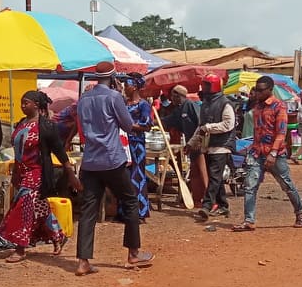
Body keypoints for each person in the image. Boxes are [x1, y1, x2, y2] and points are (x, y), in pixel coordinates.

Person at [74, 74, 152, 276]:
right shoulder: (114, 97)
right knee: (130, 201)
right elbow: (127, 125)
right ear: (112, 78)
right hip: (112, 159)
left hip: (90, 160)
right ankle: (133, 253)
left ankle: (83, 261)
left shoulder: (84, 99)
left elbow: (82, 127)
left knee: (88, 210)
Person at [0, 90, 76, 262]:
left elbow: (59, 150)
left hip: (37, 173)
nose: (23, 105)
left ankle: (20, 248)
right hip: (21, 172)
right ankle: (58, 235)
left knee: (23, 206)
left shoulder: (46, 126)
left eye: (26, 102)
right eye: (21, 102)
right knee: (40, 208)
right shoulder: (21, 123)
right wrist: (15, 173)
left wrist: (70, 172)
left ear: (37, 105)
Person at [234, 76, 302, 231]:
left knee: (286, 185)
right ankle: (249, 220)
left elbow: (281, 132)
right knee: (250, 186)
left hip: (275, 153)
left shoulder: (278, 106)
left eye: (261, 90)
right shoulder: (257, 107)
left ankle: (300, 212)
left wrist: (273, 153)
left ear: (269, 90)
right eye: (256, 90)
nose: (257, 93)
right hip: (257, 152)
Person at [192, 75, 238, 222]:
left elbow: (228, 125)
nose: (204, 87)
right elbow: (201, 127)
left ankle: (207, 205)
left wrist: (209, 128)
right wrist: (191, 143)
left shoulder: (226, 104)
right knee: (216, 178)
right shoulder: (205, 104)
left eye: (206, 85)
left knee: (213, 176)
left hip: (222, 146)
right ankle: (223, 206)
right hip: (209, 145)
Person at [162, 85, 206, 202]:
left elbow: (201, 124)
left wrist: (196, 141)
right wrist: (154, 121)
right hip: (191, 144)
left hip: (199, 144)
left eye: (172, 95)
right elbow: (169, 120)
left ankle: (209, 200)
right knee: (194, 172)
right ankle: (196, 199)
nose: (171, 98)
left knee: (202, 172)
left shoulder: (191, 105)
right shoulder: (179, 110)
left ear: (178, 95)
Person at [121, 75, 154, 222]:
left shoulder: (143, 105)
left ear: (134, 86)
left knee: (137, 176)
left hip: (137, 145)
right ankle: (125, 212)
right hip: (123, 144)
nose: (124, 88)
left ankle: (140, 212)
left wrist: (126, 123)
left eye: (126, 85)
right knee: (124, 177)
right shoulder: (123, 103)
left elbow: (146, 126)